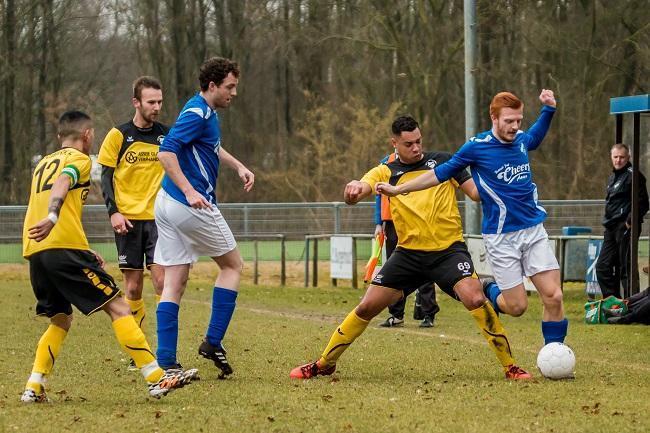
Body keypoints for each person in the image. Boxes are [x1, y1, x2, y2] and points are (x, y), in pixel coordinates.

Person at [290, 115, 531, 380]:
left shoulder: (444, 162)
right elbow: (364, 187)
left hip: (448, 252)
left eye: (418, 141)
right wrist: (354, 190)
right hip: (408, 255)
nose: (416, 148)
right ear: (394, 143)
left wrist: (501, 179)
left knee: (475, 299)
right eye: (408, 144)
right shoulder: (386, 170)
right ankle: (324, 363)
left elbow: (475, 193)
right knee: (366, 308)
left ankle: (510, 367)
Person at [20, 111, 191, 403]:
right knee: (120, 308)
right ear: (87, 135)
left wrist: (84, 249)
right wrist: (52, 215)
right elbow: (64, 182)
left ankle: (33, 387)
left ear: (61, 136)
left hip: (37, 253)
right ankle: (156, 377)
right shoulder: (80, 160)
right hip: (62, 249)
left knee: (60, 320)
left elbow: (65, 208)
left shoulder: (42, 164)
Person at [377, 90, 568, 347]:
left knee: (554, 296)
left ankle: (554, 352)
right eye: (509, 121)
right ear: (493, 117)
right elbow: (439, 174)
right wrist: (399, 189)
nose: (515, 127)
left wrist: (549, 109)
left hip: (533, 230)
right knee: (516, 307)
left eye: (518, 121)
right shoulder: (476, 147)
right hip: (501, 237)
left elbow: (534, 136)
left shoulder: (520, 140)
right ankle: (489, 289)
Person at [154, 57, 254, 378]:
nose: (234, 93)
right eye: (230, 87)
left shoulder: (201, 109)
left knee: (174, 282)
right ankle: (212, 342)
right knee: (233, 265)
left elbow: (212, 147)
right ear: (213, 86)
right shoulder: (199, 113)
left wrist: (237, 165)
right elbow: (166, 152)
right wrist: (190, 191)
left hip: (166, 204)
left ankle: (167, 361)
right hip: (190, 206)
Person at [97, 76, 168, 369]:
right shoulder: (118, 135)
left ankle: (165, 350)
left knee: (164, 282)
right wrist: (113, 211)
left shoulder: (167, 135)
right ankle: (139, 349)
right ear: (136, 103)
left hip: (160, 219)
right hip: (128, 220)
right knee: (134, 286)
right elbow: (105, 176)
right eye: (151, 102)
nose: (156, 107)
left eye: (160, 102)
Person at [373, 152, 440, 328]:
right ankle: (396, 315)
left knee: (425, 265)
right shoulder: (385, 163)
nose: (413, 147)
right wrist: (379, 223)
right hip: (393, 223)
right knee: (394, 269)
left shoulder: (425, 162)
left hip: (417, 221)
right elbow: (378, 195)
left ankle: (428, 312)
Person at [595, 143, 648, 298]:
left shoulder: (634, 175)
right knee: (602, 267)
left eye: (622, 157)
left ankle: (632, 304)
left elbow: (643, 202)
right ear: (611, 158)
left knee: (627, 268)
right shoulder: (613, 177)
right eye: (615, 157)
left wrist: (630, 220)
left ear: (628, 157)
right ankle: (613, 303)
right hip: (610, 228)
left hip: (625, 227)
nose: (618, 160)